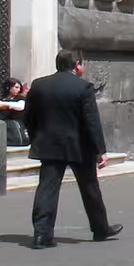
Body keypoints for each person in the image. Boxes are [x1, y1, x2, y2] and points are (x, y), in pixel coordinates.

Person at [21, 50, 120, 249]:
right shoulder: (83, 87)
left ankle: (41, 234)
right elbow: (92, 122)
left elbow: (28, 116)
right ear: (76, 65)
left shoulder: (39, 85)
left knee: (47, 189)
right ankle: (100, 229)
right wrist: (100, 150)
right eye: (82, 64)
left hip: (50, 144)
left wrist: (36, 137)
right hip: (79, 147)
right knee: (90, 188)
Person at [0, 77, 29, 147]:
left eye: (19, 88)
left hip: (17, 125)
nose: (18, 90)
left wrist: (4, 105)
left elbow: (21, 106)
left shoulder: (20, 99)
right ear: (8, 87)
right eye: (16, 87)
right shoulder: (0, 99)